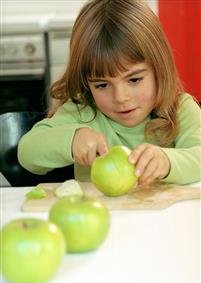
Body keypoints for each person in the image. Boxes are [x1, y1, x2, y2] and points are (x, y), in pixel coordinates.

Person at [18, 0, 201, 187]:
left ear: (159, 68)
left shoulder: (180, 109)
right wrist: (72, 139)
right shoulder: (83, 113)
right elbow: (27, 153)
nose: (121, 98)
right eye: (102, 85)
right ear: (87, 83)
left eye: (134, 80)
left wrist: (167, 162)